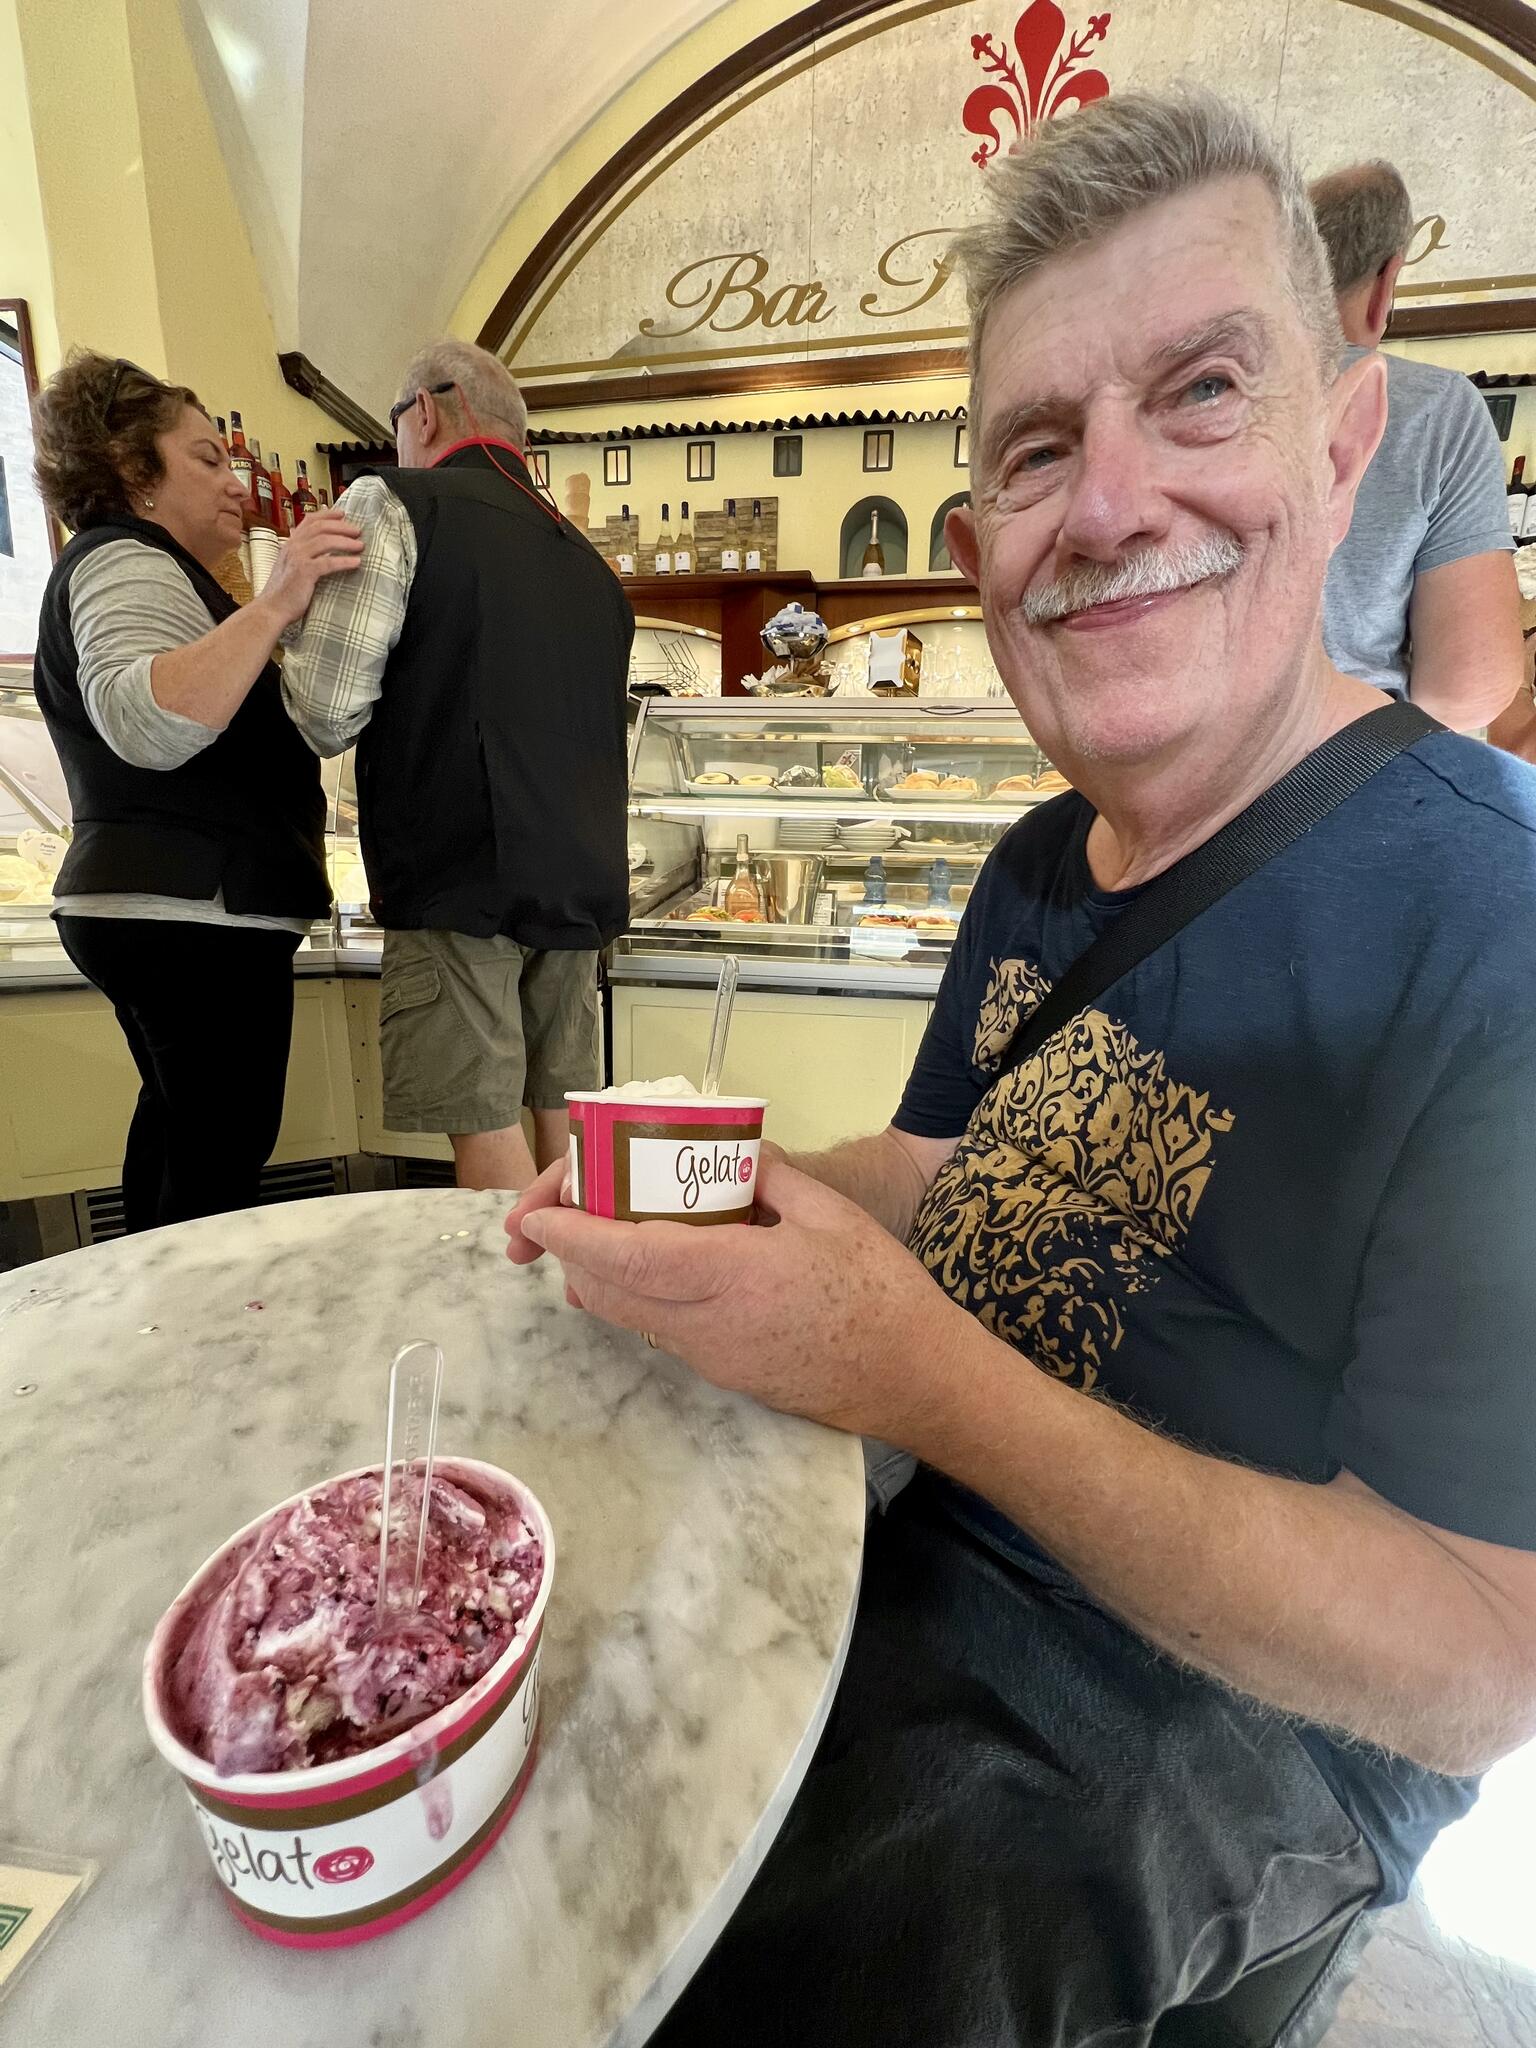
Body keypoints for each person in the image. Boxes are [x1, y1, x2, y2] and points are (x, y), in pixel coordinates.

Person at [505, 92, 1536, 2046]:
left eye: (1201, 392)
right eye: (1041, 445)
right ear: (984, 545)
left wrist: (911, 1368)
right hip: (925, 1539)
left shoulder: (1494, 918)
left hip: (1227, 1726)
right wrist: (710, 1189)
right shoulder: (1039, 865)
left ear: (1341, 448)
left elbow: (1482, 1661)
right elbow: (935, 1164)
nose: (1112, 503)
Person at [281, 339, 632, 1192]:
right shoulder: (589, 563)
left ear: (428, 412)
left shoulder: (393, 503)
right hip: (579, 885)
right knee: (565, 1118)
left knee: (484, 1123)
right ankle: (584, 1274)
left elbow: (326, 713)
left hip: (459, 875)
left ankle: (511, 1282)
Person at [30, 351, 363, 1231]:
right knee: (217, 1161)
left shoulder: (158, 570)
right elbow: (149, 719)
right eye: (206, 458)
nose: (235, 484)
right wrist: (278, 600)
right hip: (192, 912)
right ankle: (196, 1319)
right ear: (132, 469)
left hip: (173, 907)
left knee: (183, 1141)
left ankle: (151, 1305)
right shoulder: (125, 560)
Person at [1310, 161, 1523, 730]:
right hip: (1351, 754)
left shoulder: (1190, 392)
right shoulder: (1438, 409)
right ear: (1386, 283)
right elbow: (1468, 689)